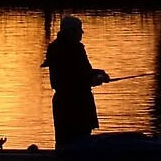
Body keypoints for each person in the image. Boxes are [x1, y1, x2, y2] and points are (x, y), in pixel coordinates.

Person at [42, 16, 110, 149]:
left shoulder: (55, 47)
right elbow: (76, 76)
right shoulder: (74, 49)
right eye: (79, 30)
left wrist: (97, 74)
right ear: (71, 31)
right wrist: (93, 80)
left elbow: (78, 73)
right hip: (77, 102)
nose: (81, 33)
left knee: (64, 141)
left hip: (62, 102)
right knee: (81, 140)